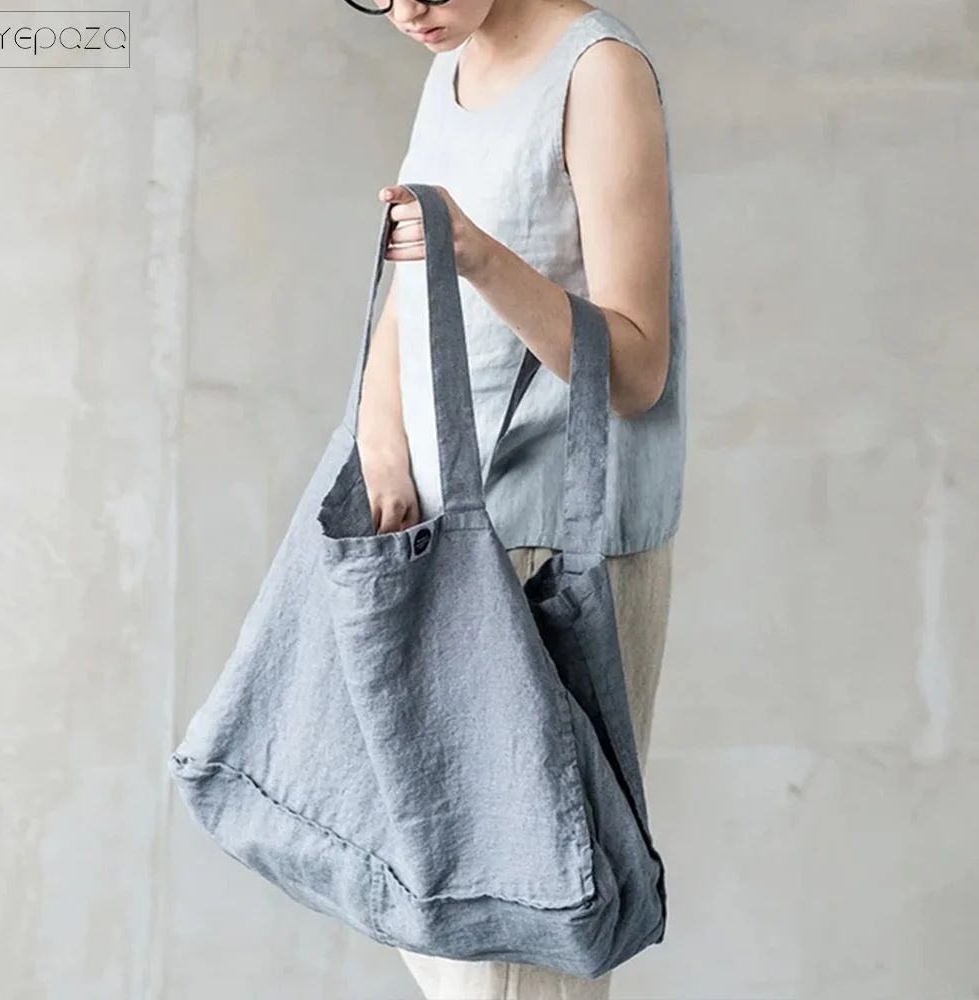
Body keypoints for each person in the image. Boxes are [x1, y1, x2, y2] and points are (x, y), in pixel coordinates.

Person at [342, 1, 686, 997]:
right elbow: (409, 280)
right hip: (437, 532)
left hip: (544, 545)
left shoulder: (597, 74)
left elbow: (634, 369)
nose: (405, 10)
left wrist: (481, 257)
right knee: (444, 921)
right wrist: (380, 439)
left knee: (521, 942)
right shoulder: (450, 63)